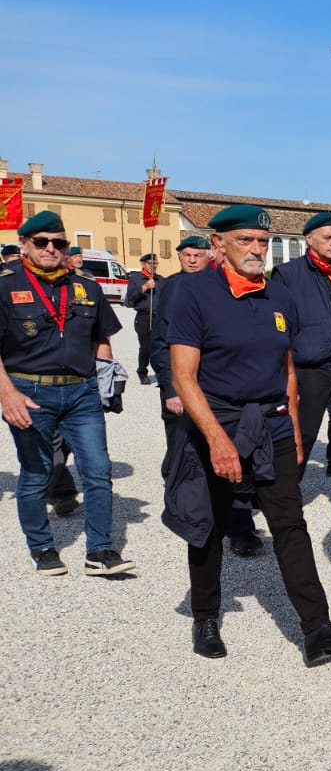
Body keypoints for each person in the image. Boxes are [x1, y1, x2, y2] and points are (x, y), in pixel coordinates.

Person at [163, 204, 331, 661]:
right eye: (246, 240)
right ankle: (205, 618)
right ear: (217, 244)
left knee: (290, 525)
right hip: (216, 424)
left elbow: (287, 366)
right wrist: (218, 440)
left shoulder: (276, 294)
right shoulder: (193, 294)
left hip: (273, 424)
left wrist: (295, 429)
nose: (257, 249)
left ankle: (318, 630)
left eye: (262, 242)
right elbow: (184, 375)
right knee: (211, 524)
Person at [0, 211, 131, 577]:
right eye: (41, 242)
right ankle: (42, 548)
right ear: (24, 244)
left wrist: (106, 380)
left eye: (59, 243)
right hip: (28, 391)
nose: (51, 249)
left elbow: (101, 337)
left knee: (98, 470)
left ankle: (100, 550)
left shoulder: (86, 286)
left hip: (81, 393)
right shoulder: (5, 285)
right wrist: (7, 395)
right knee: (37, 473)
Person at [152, 234, 263, 556]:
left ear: (212, 253)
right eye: (186, 254)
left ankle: (241, 529)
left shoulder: (232, 285)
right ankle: (190, 518)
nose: (192, 259)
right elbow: (162, 342)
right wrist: (171, 388)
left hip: (227, 393)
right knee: (187, 458)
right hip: (187, 389)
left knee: (237, 457)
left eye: (198, 254)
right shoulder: (175, 289)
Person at [268, 212, 331, 523]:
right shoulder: (288, 275)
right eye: (328, 238)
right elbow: (277, 321)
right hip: (309, 368)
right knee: (302, 432)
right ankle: (287, 493)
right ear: (309, 239)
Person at [123, 252, 161, 385]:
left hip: (158, 316)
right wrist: (144, 287)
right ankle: (142, 371)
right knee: (146, 347)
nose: (153, 266)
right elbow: (130, 299)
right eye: (150, 263)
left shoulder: (160, 280)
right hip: (143, 316)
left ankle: (160, 373)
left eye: (155, 263)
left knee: (159, 347)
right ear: (144, 264)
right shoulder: (135, 278)